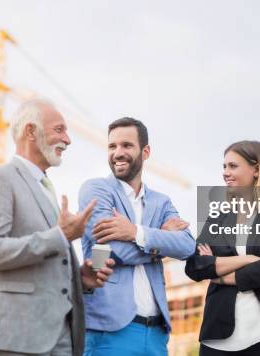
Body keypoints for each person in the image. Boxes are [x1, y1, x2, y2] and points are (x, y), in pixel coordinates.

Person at [0, 99, 115, 356]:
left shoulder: (46, 190)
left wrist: (81, 278)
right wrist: (60, 236)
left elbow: (44, 262)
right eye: (59, 130)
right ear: (31, 131)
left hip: (59, 337)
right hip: (15, 337)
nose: (68, 140)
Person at [78, 117, 196, 356]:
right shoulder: (97, 189)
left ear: (145, 152)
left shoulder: (161, 202)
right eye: (112, 146)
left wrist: (135, 233)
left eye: (126, 145)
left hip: (156, 334)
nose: (118, 153)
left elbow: (187, 246)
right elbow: (110, 250)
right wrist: (161, 241)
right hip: (109, 331)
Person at [185, 141, 260, 356]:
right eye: (224, 167)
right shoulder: (217, 218)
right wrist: (250, 259)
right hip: (218, 338)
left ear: (256, 170)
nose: (225, 173)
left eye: (232, 166)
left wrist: (219, 274)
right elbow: (195, 266)